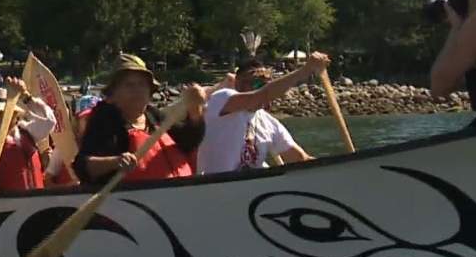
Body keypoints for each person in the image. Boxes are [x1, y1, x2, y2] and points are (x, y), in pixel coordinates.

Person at [72, 54, 206, 185]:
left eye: (142, 84)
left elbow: (189, 141)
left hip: (176, 194)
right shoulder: (105, 120)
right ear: (113, 94)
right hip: (129, 198)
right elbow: (82, 166)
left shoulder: (153, 115)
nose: (137, 90)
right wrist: (115, 162)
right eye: (129, 85)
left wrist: (195, 109)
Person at [196, 57, 325, 174]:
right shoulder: (222, 98)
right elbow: (262, 95)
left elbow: (299, 158)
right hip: (218, 186)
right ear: (238, 84)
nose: (262, 88)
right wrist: (304, 71)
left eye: (266, 83)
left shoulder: (269, 123)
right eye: (257, 84)